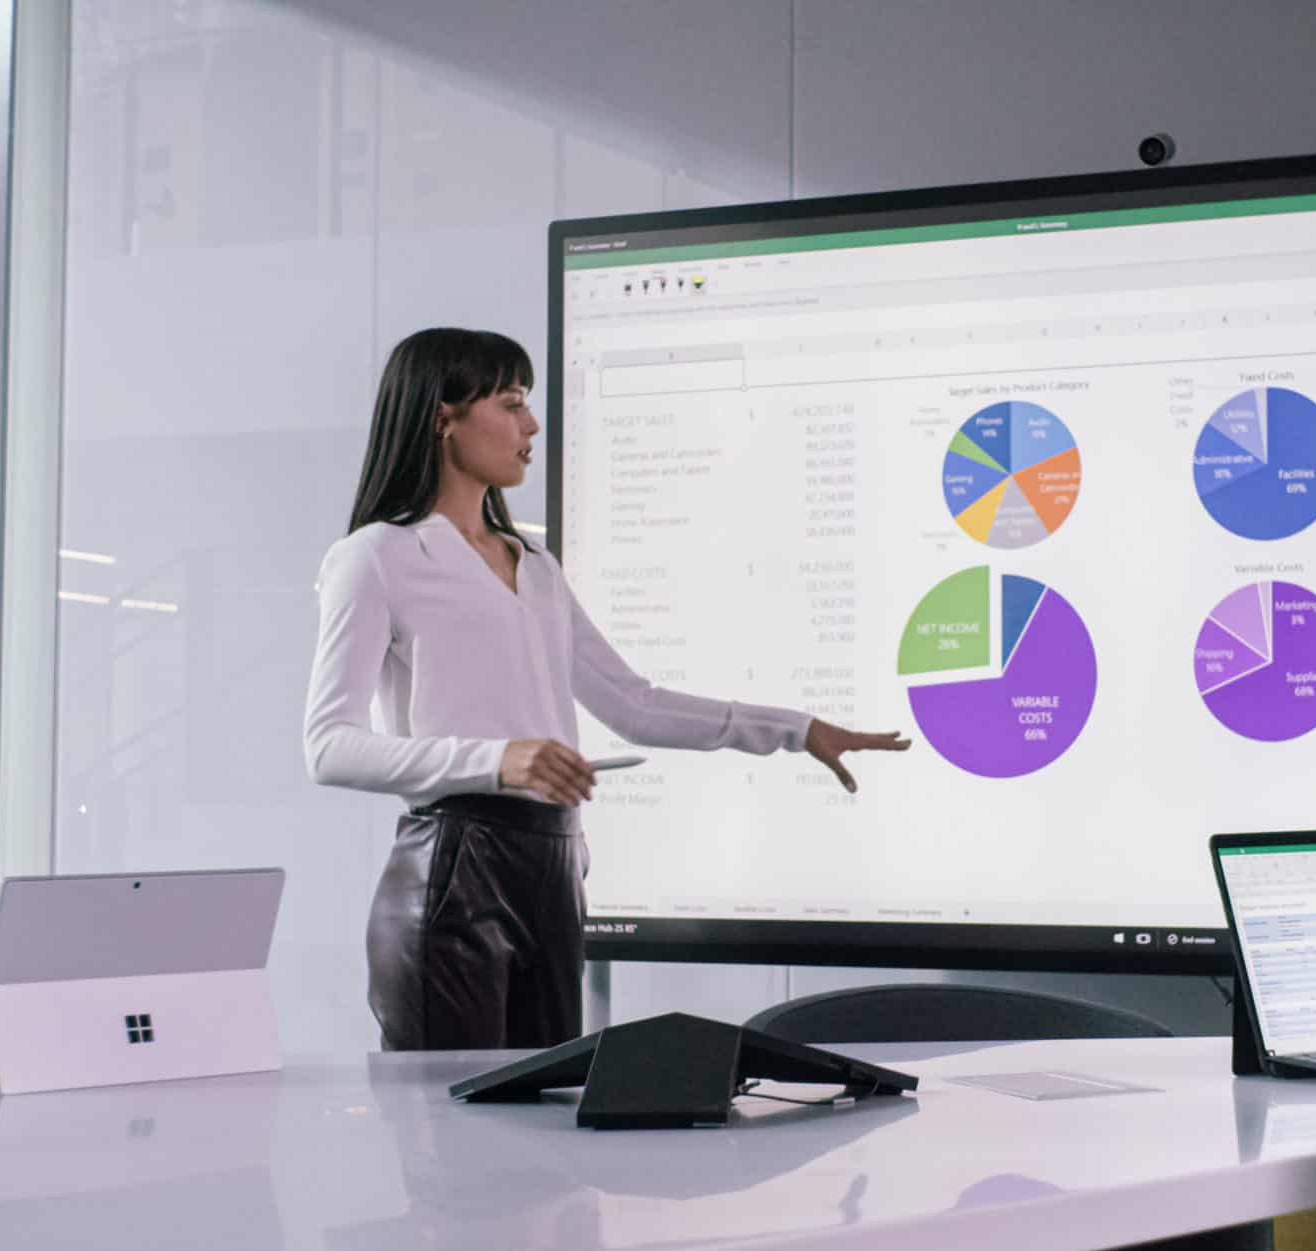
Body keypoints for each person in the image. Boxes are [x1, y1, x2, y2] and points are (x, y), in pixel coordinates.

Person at [304, 328, 910, 1052]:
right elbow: (329, 748)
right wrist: (498, 760)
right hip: (452, 872)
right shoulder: (376, 557)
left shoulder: (534, 565)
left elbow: (634, 704)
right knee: (450, 1139)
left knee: (543, 1131)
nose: (531, 426)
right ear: (444, 416)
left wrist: (796, 728)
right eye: (511, 403)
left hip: (553, 868)